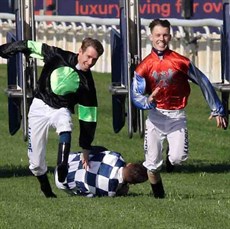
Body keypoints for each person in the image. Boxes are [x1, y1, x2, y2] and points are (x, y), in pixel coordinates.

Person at [131, 19, 227, 199]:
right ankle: (159, 198)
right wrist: (148, 100)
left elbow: (203, 81)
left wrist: (217, 109)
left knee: (178, 159)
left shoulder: (180, 61)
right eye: (158, 35)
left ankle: (170, 157)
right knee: (152, 165)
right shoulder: (143, 67)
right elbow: (135, 95)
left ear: (170, 36)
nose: (162, 39)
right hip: (155, 116)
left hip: (177, 116)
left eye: (165, 35)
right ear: (151, 37)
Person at [0, 37, 104, 198]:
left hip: (60, 109)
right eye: (88, 57)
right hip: (39, 106)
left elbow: (88, 118)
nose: (90, 62)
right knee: (35, 163)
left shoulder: (87, 84)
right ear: (80, 52)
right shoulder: (58, 55)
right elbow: (31, 46)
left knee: (65, 124)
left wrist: (85, 147)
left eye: (94, 60)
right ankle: (46, 190)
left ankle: (62, 164)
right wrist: (8, 48)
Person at [55, 146, 148, 197]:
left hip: (65, 161)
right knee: (90, 192)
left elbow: (100, 149)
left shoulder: (116, 156)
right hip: (61, 183)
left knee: (101, 151)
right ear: (132, 184)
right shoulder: (111, 191)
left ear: (129, 164)